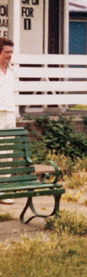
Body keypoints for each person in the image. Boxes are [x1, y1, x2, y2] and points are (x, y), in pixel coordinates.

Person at [0, 37, 15, 205]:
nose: (10, 55)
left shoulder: (12, 72)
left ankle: (3, 191)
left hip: (10, 114)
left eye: (11, 52)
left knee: (7, 154)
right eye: (6, 52)